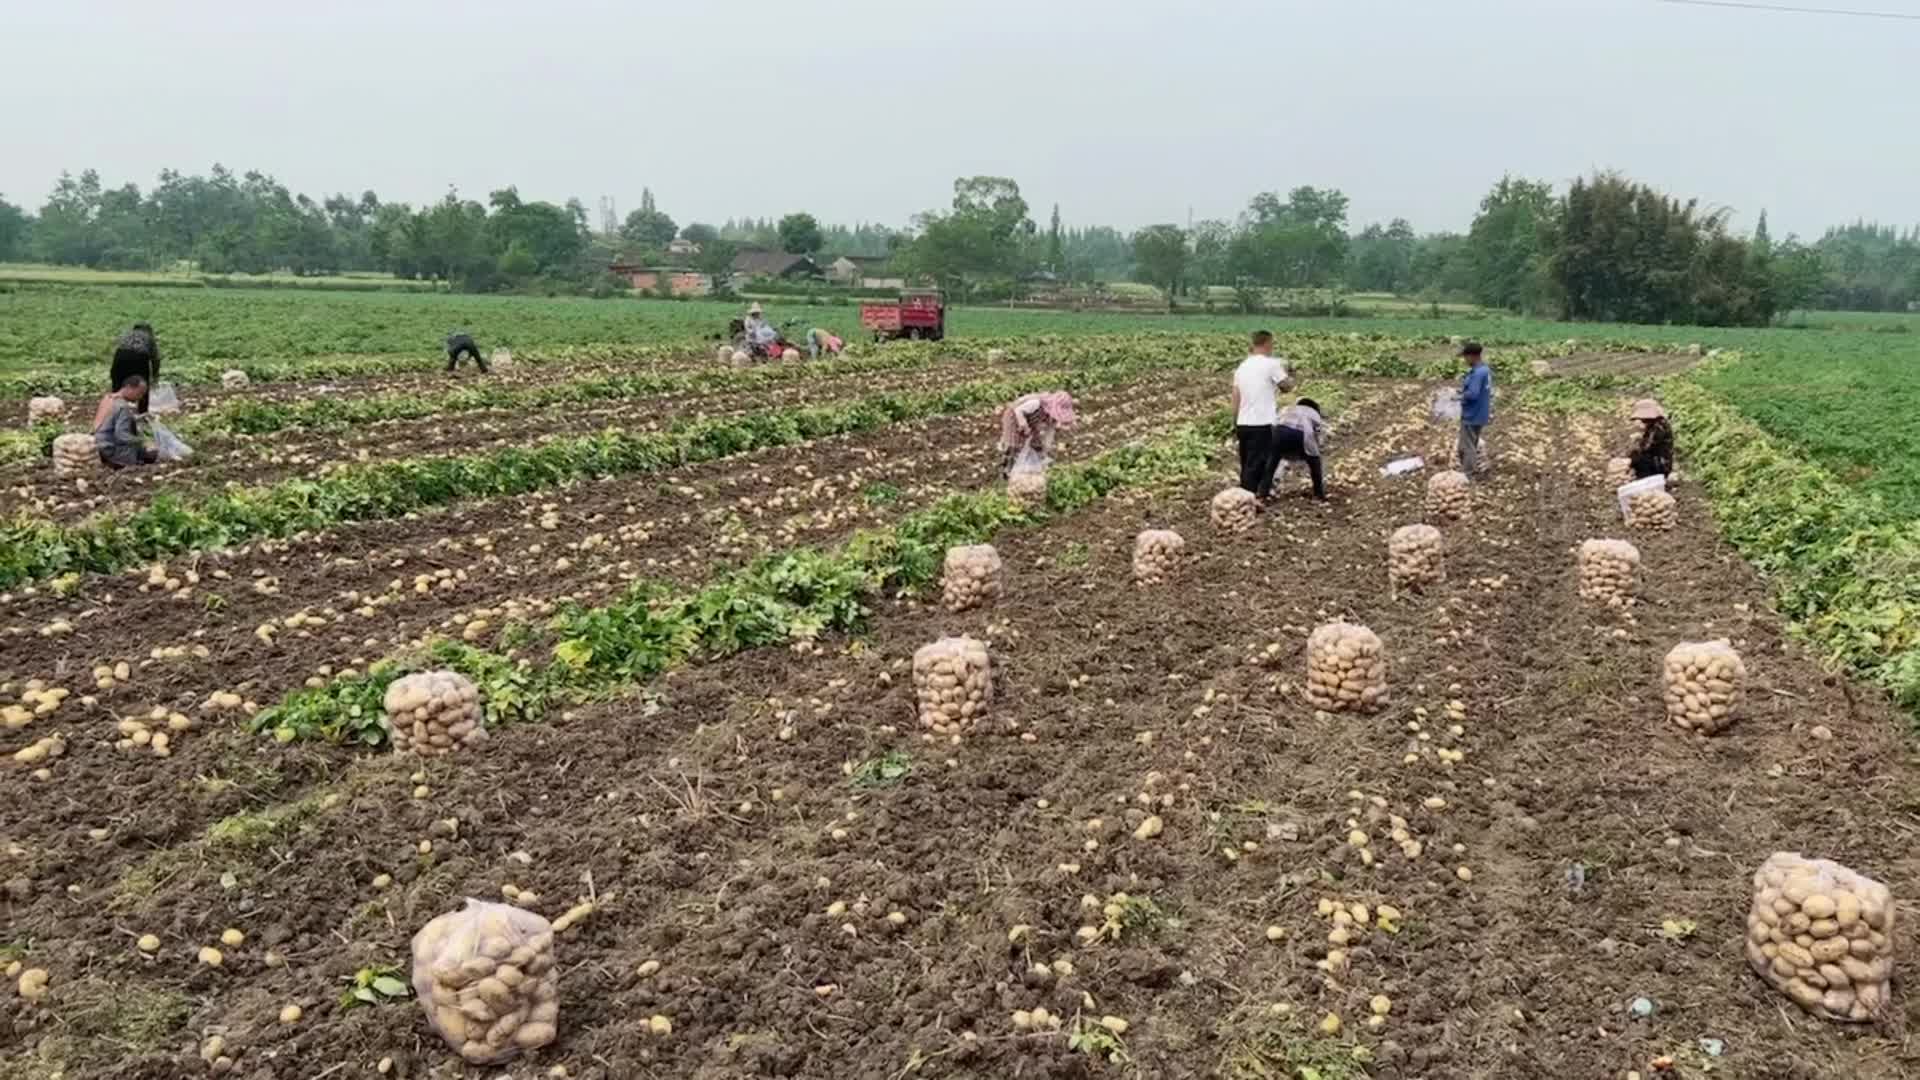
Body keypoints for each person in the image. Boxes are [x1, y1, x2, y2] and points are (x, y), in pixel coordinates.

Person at [1230, 329, 1294, 501]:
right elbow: (1286, 386)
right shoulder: (1271, 364)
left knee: (1247, 464)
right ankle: (1248, 502)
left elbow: (1235, 397)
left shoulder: (1242, 367)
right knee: (1259, 465)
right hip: (1262, 423)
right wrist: (1290, 374)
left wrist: (1235, 422)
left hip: (1243, 423)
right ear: (1267, 344)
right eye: (1272, 345)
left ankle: (1246, 498)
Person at [998, 390, 1076, 477]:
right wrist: (1023, 423)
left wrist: (1045, 450)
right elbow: (1018, 410)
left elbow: (1049, 434)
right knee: (1013, 444)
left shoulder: (1051, 417)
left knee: (1036, 443)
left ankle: (1035, 466)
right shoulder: (1036, 403)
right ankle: (1006, 470)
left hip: (1030, 421)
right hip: (1014, 416)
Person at [94, 375, 158, 469]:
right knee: (145, 451)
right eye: (139, 393)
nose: (140, 397)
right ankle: (125, 463)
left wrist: (139, 418)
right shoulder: (123, 407)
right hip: (111, 449)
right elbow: (122, 436)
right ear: (128, 387)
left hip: (99, 444)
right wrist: (143, 441)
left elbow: (111, 420)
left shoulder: (109, 398)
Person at [1272, 397, 1330, 500]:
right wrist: (1314, 452)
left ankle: (1263, 491)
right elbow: (1317, 435)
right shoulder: (1314, 414)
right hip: (1302, 434)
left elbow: (1274, 422)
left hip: (1279, 432)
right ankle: (1318, 493)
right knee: (1315, 462)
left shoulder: (1287, 408)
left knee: (1272, 462)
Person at [1456, 341, 1493, 478]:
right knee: (1469, 444)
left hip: (1472, 414)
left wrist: (1459, 397)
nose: (1465, 360)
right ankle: (1471, 470)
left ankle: (1469, 474)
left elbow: (1473, 394)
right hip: (1480, 413)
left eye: (1466, 357)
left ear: (1472, 356)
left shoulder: (1478, 373)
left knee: (1468, 446)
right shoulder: (1484, 370)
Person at [110, 322, 160, 415]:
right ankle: (143, 414)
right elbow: (155, 358)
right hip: (139, 356)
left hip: (120, 356)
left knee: (117, 385)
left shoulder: (126, 334)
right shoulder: (149, 337)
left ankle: (114, 411)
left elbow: (117, 349)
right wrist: (155, 376)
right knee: (142, 386)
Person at [1628, 398, 1674, 479]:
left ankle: (1646, 478)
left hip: (1661, 464)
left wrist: (1633, 454)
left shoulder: (1659, 427)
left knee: (1638, 458)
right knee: (1636, 455)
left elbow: (1647, 447)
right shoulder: (1655, 424)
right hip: (1658, 459)